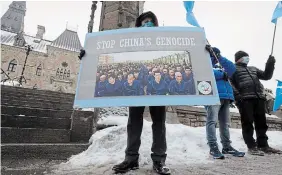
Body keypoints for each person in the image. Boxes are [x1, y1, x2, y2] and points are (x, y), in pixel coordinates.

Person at [112, 11, 170, 175]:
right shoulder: (131, 42)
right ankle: (131, 160)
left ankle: (159, 160)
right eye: (145, 21)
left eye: (151, 21)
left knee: (159, 123)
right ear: (139, 25)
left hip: (156, 86)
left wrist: (202, 50)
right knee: (134, 123)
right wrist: (87, 54)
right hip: (137, 86)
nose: (148, 24)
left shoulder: (162, 41)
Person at [230, 51, 282, 156]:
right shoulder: (233, 69)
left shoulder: (253, 69)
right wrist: (238, 97)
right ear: (238, 59)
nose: (247, 58)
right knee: (247, 123)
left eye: (248, 57)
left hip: (259, 98)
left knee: (261, 123)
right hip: (244, 99)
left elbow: (266, 76)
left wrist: (270, 64)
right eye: (245, 57)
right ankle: (251, 146)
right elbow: (230, 83)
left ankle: (263, 145)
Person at [204, 45, 244, 159]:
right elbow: (206, 73)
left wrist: (220, 57)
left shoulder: (221, 64)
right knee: (212, 121)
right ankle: (213, 147)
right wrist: (222, 74)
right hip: (213, 96)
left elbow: (232, 69)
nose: (215, 55)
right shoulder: (206, 63)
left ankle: (226, 146)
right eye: (214, 54)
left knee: (225, 123)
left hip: (226, 96)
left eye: (216, 53)